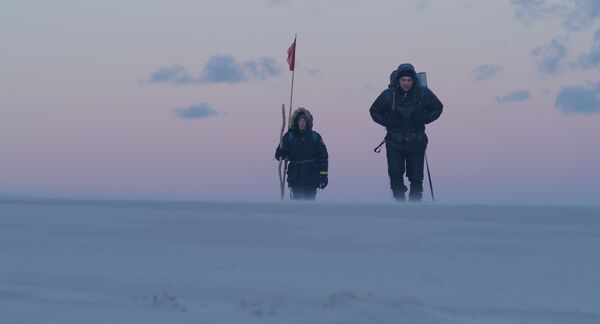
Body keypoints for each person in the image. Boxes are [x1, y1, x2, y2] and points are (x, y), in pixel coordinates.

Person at [369, 63, 443, 202]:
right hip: (394, 141)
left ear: (413, 80)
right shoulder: (388, 95)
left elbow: (438, 107)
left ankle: (415, 204)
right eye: (403, 80)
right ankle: (400, 204)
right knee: (395, 173)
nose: (406, 83)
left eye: (409, 80)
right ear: (398, 80)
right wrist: (387, 121)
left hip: (417, 141)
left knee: (416, 177)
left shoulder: (423, 93)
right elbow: (374, 111)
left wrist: (425, 118)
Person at [275, 108, 329, 200]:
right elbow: (279, 155)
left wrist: (323, 174)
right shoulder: (289, 136)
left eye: (304, 120)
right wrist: (281, 152)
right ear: (296, 122)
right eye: (300, 120)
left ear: (308, 122)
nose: (302, 123)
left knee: (310, 205)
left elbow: (323, 157)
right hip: (296, 177)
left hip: (311, 177)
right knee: (297, 205)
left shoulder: (315, 137)